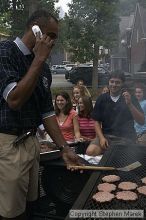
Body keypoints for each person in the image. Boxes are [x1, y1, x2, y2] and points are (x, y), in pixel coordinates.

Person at [0, 9, 81, 220]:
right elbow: (14, 100)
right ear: (35, 29)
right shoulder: (5, 51)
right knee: (11, 212)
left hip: (31, 141)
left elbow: (47, 113)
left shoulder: (43, 69)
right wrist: (39, 59)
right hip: (9, 144)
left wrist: (64, 148)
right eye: (51, 36)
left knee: (31, 205)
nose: (53, 42)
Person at [86, 71, 144, 156]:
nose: (114, 85)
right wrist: (101, 138)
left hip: (126, 137)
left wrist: (130, 104)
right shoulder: (102, 99)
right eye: (112, 81)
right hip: (106, 136)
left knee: (119, 157)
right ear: (108, 82)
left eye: (117, 82)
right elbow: (96, 122)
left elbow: (141, 121)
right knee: (91, 151)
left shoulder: (130, 97)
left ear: (122, 84)